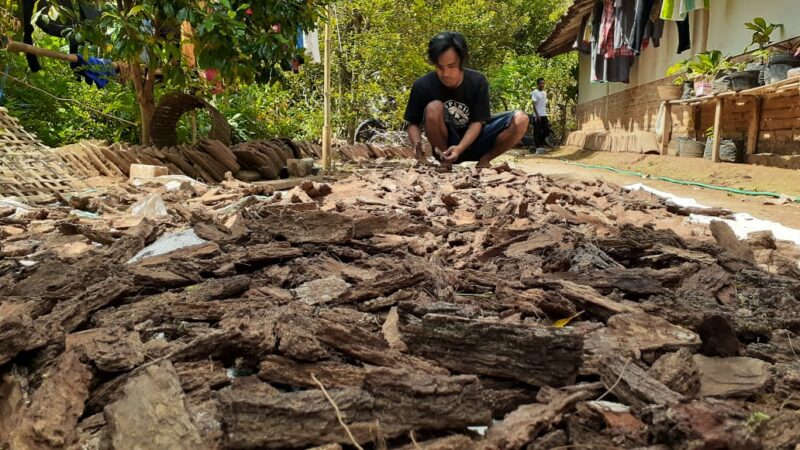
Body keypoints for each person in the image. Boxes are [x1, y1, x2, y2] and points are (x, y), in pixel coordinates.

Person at [404, 32, 528, 168]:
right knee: (433, 107)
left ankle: (485, 160)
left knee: (521, 119)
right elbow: (412, 123)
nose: (445, 73)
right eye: (440, 67)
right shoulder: (422, 85)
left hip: (477, 139)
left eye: (451, 66)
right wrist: (418, 150)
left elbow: (477, 122)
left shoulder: (477, 81)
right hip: (444, 144)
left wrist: (460, 148)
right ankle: (445, 162)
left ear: (461, 61)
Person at [530, 77, 551, 148]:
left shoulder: (544, 93)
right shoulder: (535, 92)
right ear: (537, 84)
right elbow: (533, 105)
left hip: (544, 114)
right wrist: (537, 114)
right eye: (541, 83)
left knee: (547, 130)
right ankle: (537, 146)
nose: (542, 85)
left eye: (543, 83)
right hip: (537, 115)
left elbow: (544, 104)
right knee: (537, 131)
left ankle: (540, 142)